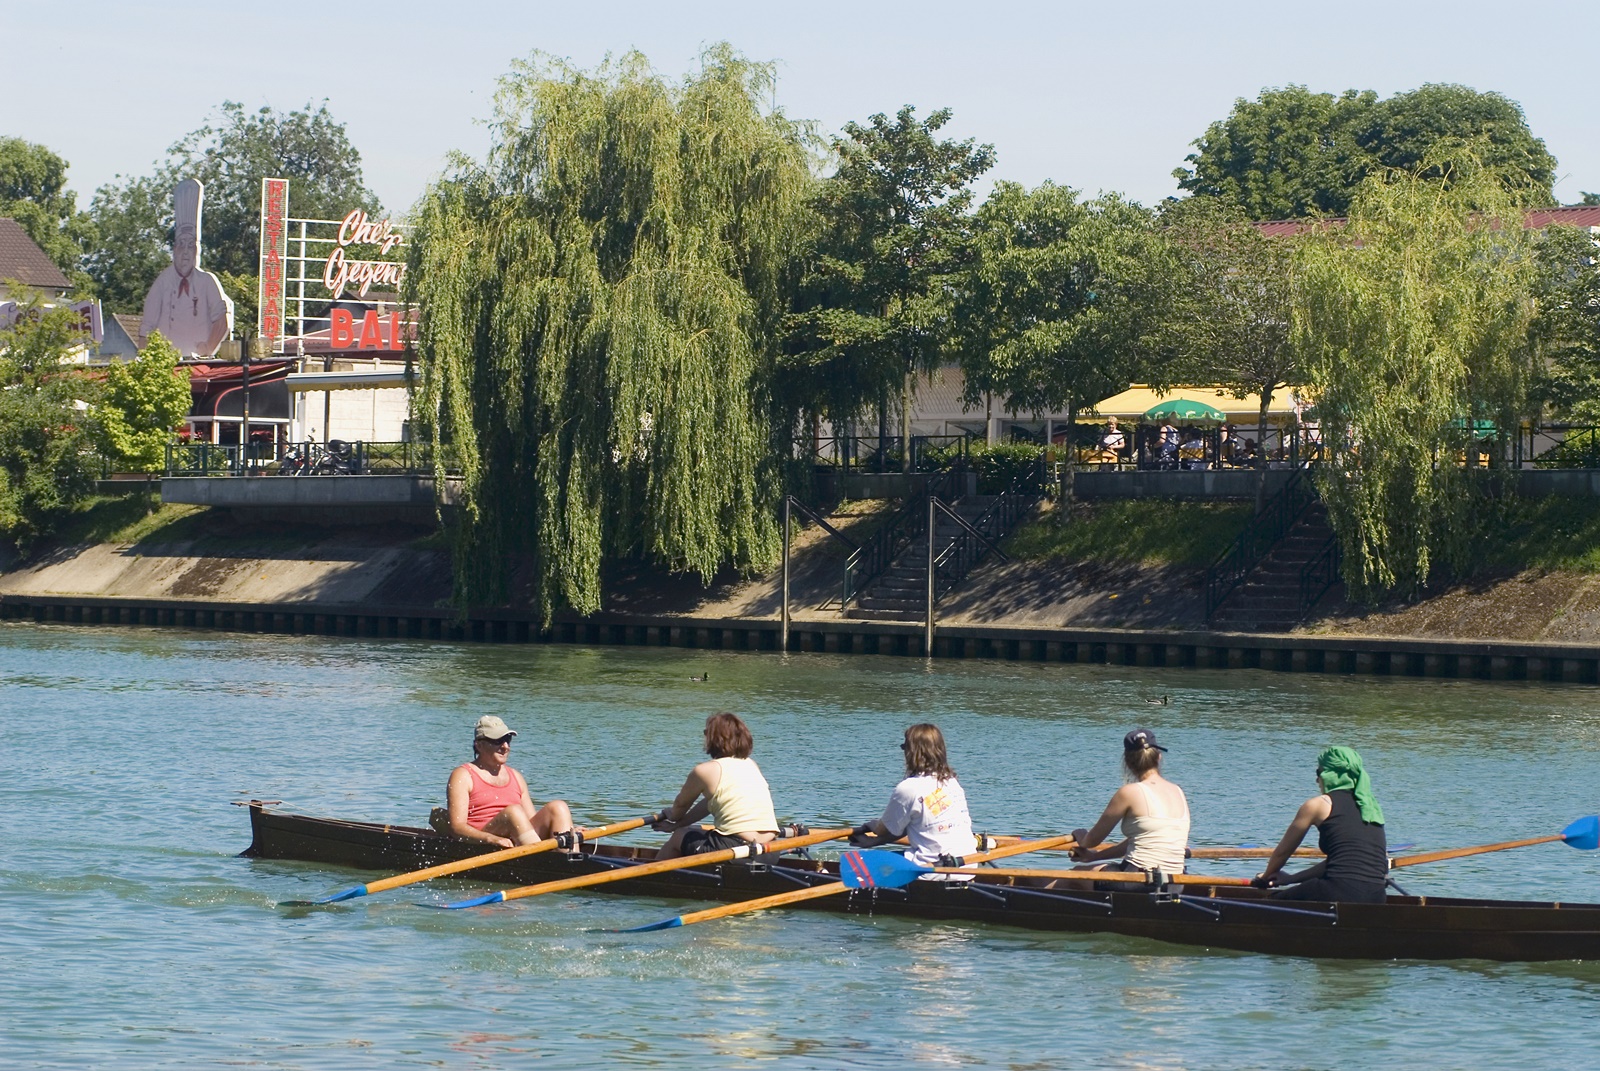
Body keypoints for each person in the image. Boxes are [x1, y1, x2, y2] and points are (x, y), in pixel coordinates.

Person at [1253, 746, 1389, 903]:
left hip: (1338, 890)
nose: (1317, 780)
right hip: (1377, 897)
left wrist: (1265, 877)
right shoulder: (1371, 808)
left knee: (1264, 907)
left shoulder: (1318, 805)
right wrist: (1290, 879)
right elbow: (1339, 864)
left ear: (1330, 774)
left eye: (1319, 773)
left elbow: (1282, 853)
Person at [651, 712, 782, 859]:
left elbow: (680, 805)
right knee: (687, 829)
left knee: (678, 836)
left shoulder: (704, 770)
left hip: (737, 849)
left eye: (706, 733)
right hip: (770, 850)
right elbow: (711, 802)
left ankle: (648, 878)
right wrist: (680, 823)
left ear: (714, 739)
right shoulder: (750, 764)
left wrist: (673, 816)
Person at [849, 723, 978, 871]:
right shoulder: (952, 782)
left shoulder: (908, 788)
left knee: (859, 863)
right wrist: (873, 842)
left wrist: (873, 827)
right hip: (967, 865)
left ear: (911, 752)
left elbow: (883, 830)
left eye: (904, 747)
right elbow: (904, 828)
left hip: (931, 869)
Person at [441, 715, 577, 849]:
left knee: (558, 807)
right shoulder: (463, 775)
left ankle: (571, 861)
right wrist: (492, 839)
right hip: (482, 843)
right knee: (513, 812)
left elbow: (531, 822)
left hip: (521, 840)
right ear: (479, 745)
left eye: (508, 739)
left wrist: (565, 827)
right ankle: (541, 861)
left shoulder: (516, 776)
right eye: (498, 741)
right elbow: (457, 828)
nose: (505, 746)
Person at [1069, 729, 1190, 876]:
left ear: (1127, 761)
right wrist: (1094, 857)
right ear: (1158, 757)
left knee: (1076, 874)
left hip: (1138, 880)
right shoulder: (1178, 791)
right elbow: (1141, 840)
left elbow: (1091, 841)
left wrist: (1080, 836)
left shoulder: (1129, 792)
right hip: (1176, 881)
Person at [140, 178, 234, 357]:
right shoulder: (163, 281)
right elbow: (147, 325)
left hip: (197, 360)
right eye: (181, 245)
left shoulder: (206, 281)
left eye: (190, 245)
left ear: (197, 250)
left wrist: (208, 347)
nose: (185, 252)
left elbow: (222, 320)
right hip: (164, 361)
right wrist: (146, 358)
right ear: (174, 249)